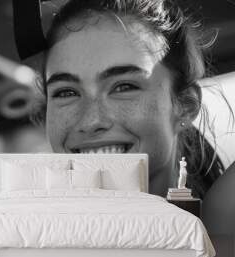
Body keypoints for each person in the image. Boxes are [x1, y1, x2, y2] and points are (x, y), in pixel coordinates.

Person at [29, 0, 234, 233]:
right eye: (66, 92)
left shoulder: (224, 236)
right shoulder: (15, 248)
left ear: (185, 104)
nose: (91, 121)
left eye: (124, 87)